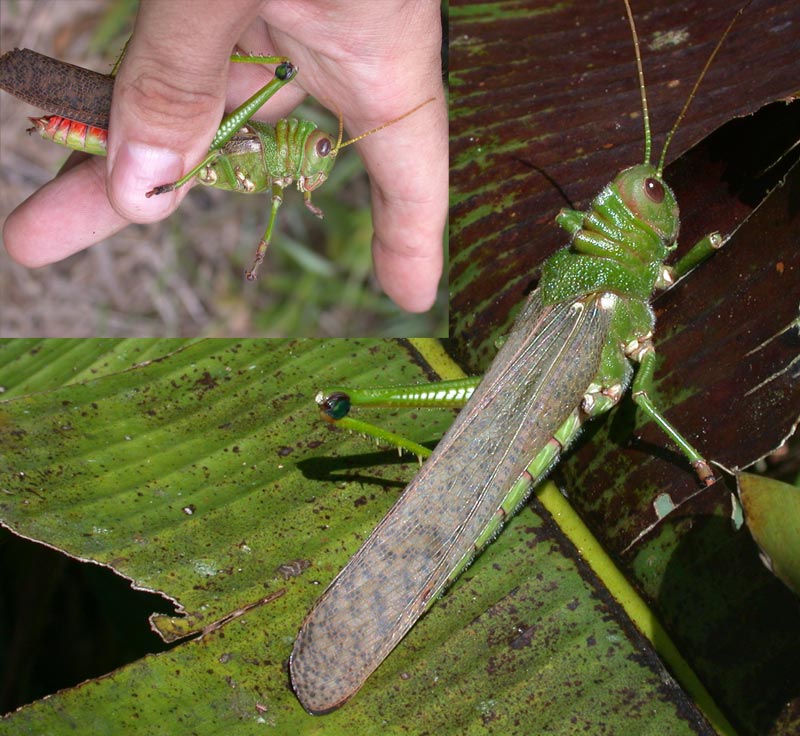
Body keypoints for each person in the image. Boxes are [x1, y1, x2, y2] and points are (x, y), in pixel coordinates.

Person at [3, 0, 446, 313]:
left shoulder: (280, 173)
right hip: (110, 123)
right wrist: (169, 114)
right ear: (299, 147)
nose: (322, 164)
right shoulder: (264, 153)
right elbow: (274, 201)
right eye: (325, 152)